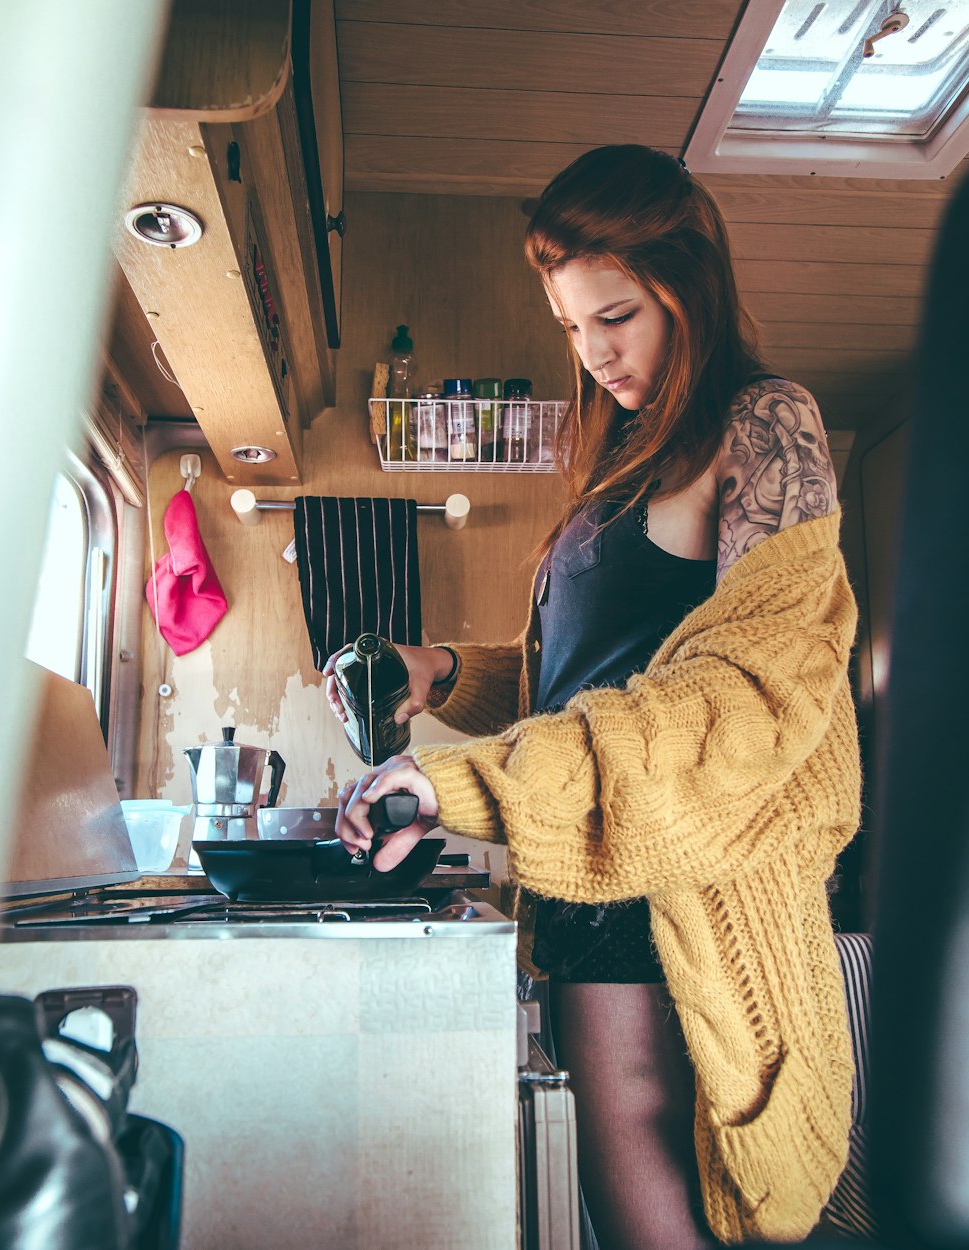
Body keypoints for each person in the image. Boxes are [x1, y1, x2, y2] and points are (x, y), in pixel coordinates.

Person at [324, 145, 861, 1249]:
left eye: (615, 314)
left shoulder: (764, 427)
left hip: (674, 899)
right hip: (584, 886)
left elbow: (737, 696)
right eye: (572, 326)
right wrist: (441, 674)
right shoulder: (622, 453)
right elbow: (579, 680)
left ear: (690, 285)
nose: (594, 350)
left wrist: (460, 779)